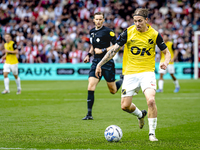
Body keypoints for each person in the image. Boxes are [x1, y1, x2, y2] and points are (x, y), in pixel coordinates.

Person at [95, 8, 171, 141]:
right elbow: (114, 50)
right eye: (135, 21)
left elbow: (167, 52)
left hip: (147, 72)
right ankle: (140, 114)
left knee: (151, 100)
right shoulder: (128, 32)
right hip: (130, 73)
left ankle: (152, 134)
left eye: (140, 21)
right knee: (125, 106)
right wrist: (99, 64)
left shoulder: (154, 34)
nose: (137, 24)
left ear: (146, 20)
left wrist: (166, 62)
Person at [82, 12, 123, 120]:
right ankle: (89, 114)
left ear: (103, 20)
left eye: (100, 19)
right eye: (97, 19)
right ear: (94, 20)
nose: (98, 21)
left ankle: (122, 80)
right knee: (91, 86)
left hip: (107, 62)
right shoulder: (92, 32)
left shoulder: (108, 32)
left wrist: (103, 50)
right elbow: (93, 47)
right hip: (96, 62)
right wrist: (88, 55)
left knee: (113, 91)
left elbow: (116, 45)